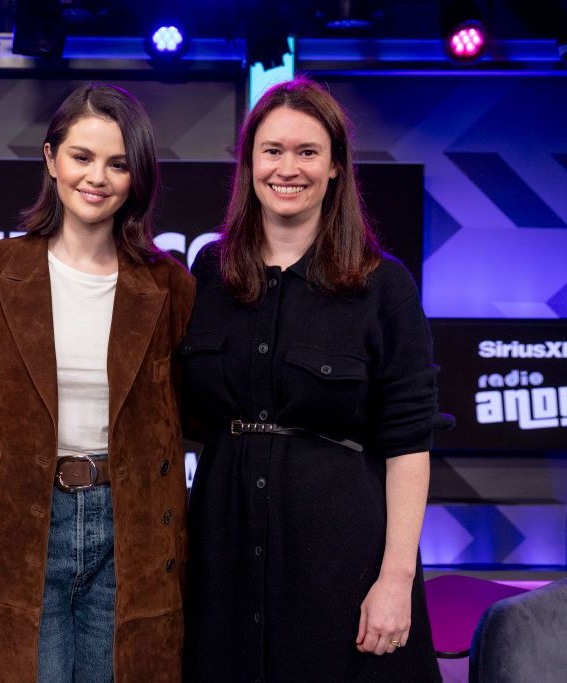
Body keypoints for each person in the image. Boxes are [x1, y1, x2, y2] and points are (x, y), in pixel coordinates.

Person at [181, 77, 448, 682]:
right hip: (221, 550)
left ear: (334, 168)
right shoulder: (210, 274)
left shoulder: (385, 286)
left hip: (341, 560)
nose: (288, 168)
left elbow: (409, 444)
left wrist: (396, 577)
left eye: (308, 152)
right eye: (272, 150)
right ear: (250, 161)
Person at [0, 84, 195, 682]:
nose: (98, 178)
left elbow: (193, 408)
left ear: (138, 177)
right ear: (51, 158)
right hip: (17, 526)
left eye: (118, 163)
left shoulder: (169, 285)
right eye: (82, 157)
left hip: (130, 527)